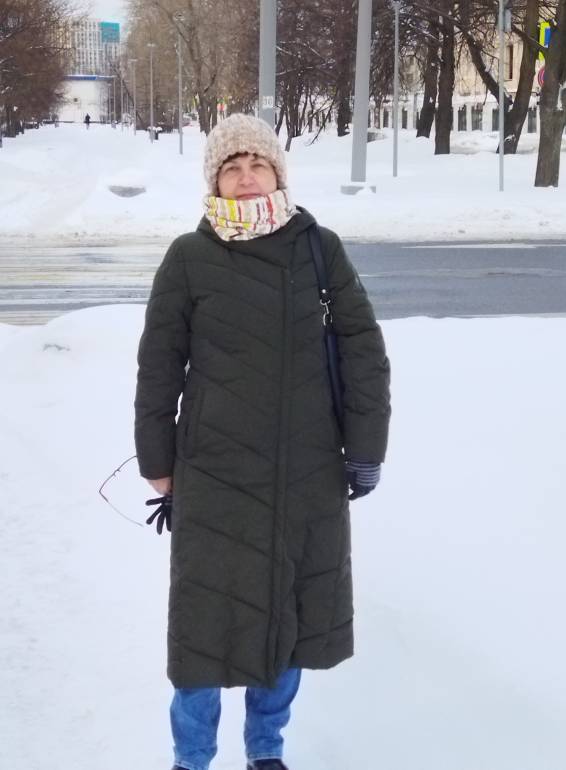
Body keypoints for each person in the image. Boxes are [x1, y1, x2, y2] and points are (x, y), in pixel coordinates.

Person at [134, 113, 391, 770]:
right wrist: (157, 462)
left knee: (288, 620)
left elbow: (362, 351)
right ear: (214, 180)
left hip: (307, 473)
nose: (247, 177)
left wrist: (366, 448)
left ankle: (265, 750)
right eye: (232, 167)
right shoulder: (188, 258)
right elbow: (159, 365)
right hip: (214, 476)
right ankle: (192, 758)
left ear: (278, 173)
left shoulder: (318, 248)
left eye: (258, 164)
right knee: (203, 630)